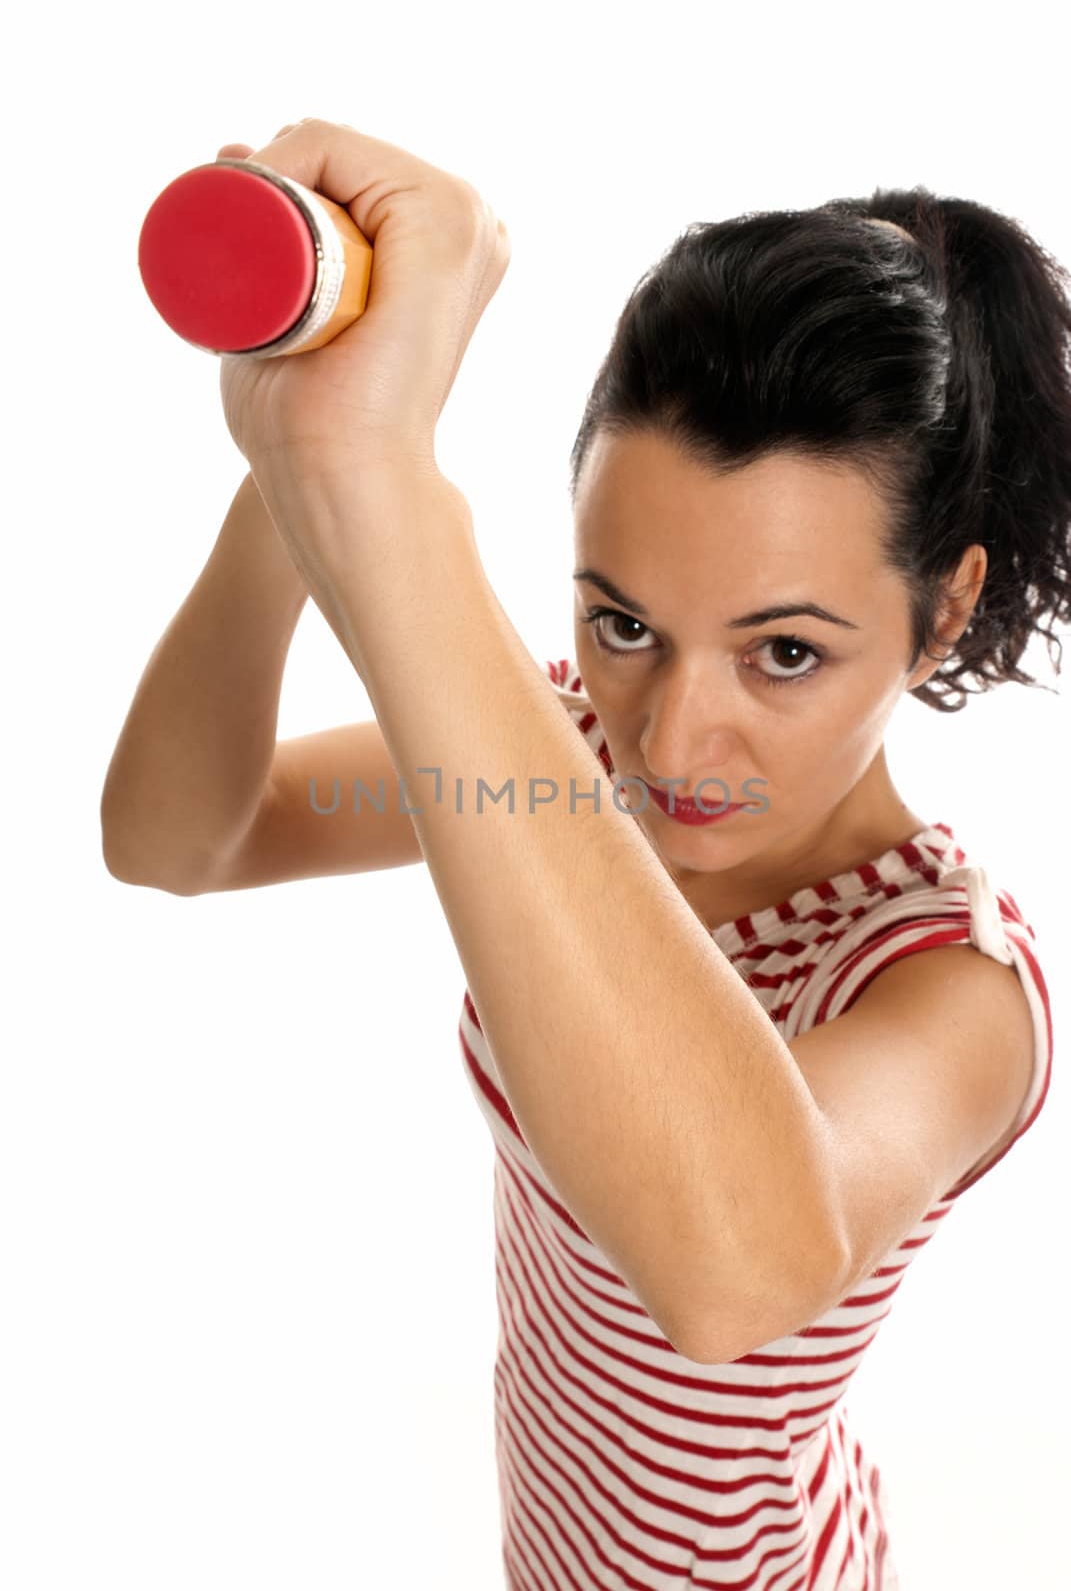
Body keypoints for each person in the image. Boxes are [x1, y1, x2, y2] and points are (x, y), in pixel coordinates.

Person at [102, 121, 1067, 1589]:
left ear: (941, 615)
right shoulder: (561, 777)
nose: (674, 743)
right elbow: (186, 837)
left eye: (786, 652)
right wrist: (297, 474)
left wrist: (389, 495)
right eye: (623, 624)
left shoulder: (953, 984)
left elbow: (733, 1268)